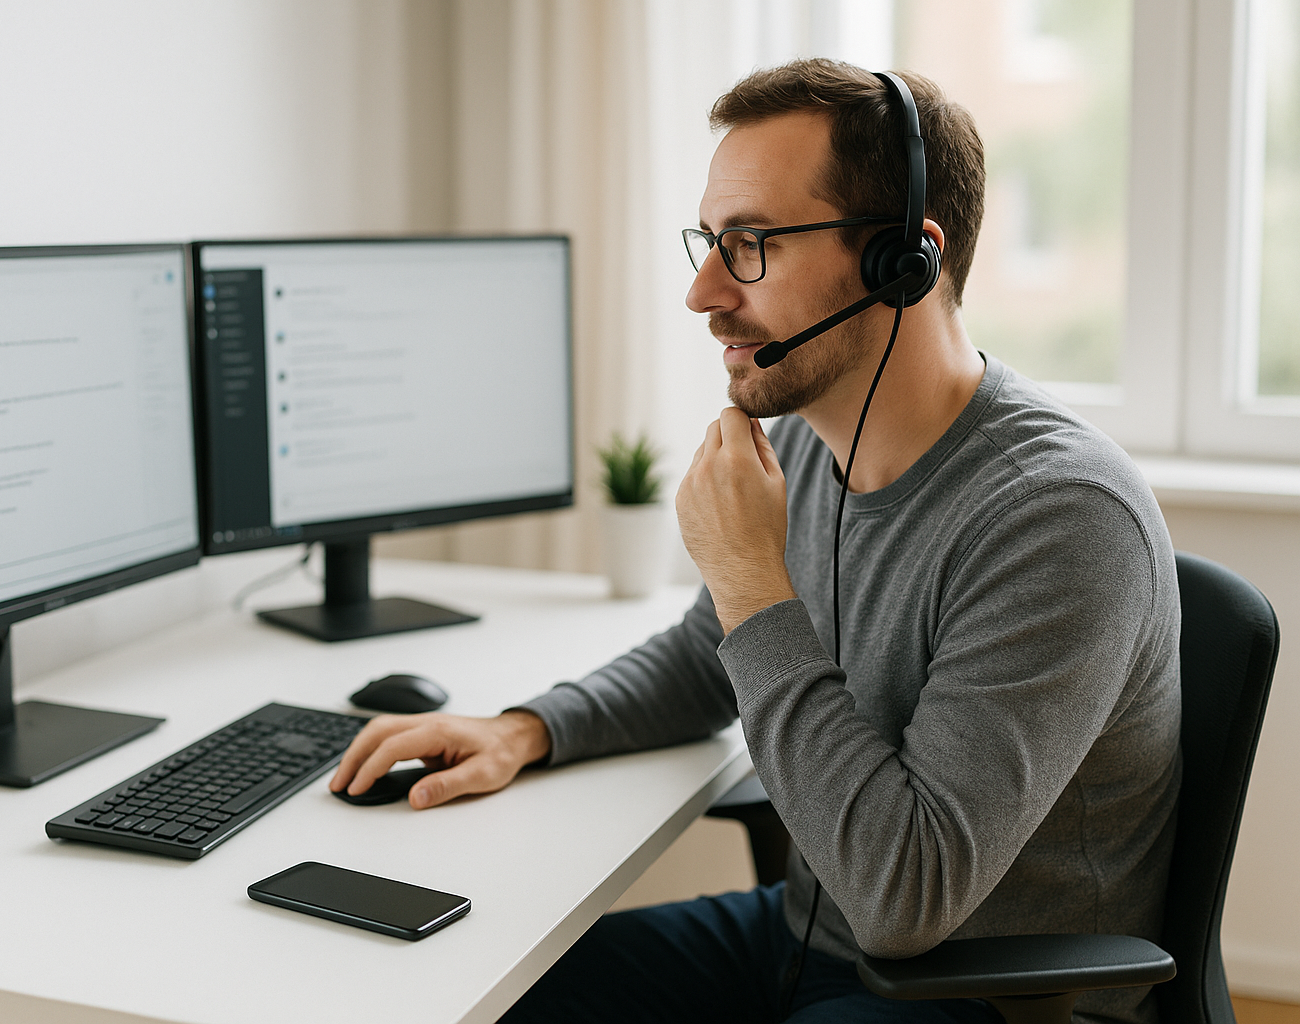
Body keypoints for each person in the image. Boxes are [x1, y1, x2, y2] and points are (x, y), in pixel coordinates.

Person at [330, 59, 1180, 1024]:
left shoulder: (1058, 516)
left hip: (983, 995)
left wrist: (746, 572)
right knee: (483, 994)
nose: (701, 293)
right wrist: (525, 729)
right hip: (809, 937)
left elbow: (905, 897)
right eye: (709, 240)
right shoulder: (817, 439)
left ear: (906, 258)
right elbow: (711, 657)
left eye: (751, 245)